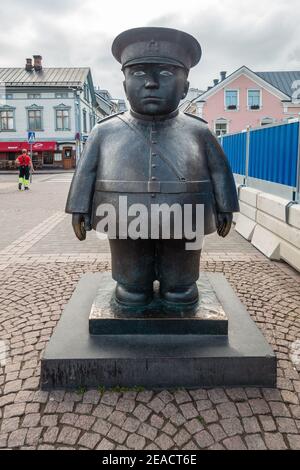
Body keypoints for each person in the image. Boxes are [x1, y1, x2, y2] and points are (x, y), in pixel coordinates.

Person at [66, 27, 239, 308]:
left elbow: (220, 170)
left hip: (187, 212)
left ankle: (179, 283)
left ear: (184, 86)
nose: (151, 83)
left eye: (167, 73)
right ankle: (132, 284)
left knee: (180, 284)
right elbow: (85, 171)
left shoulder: (199, 132)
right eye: (138, 73)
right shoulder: (104, 131)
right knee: (131, 284)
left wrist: (226, 206)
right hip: (121, 212)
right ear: (124, 86)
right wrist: (78, 207)